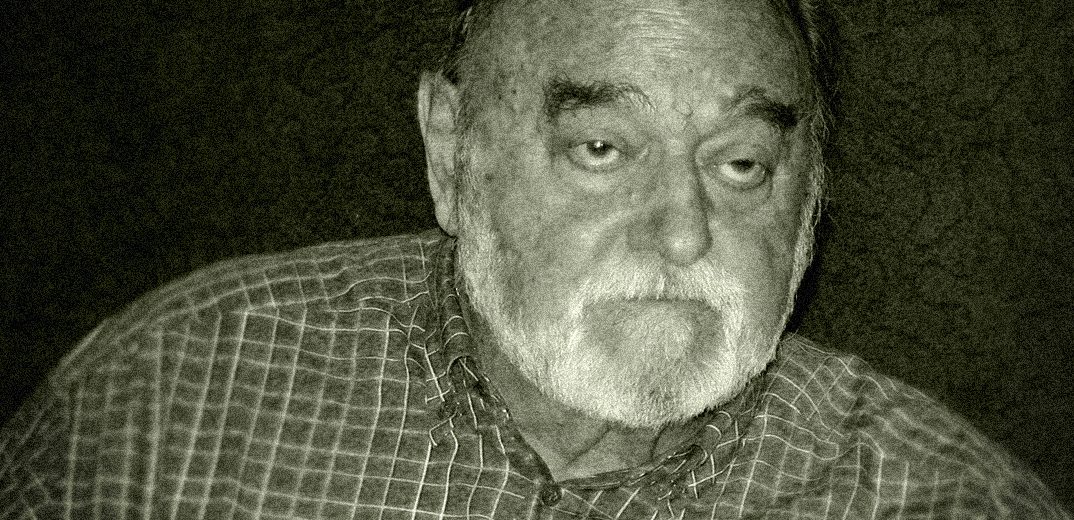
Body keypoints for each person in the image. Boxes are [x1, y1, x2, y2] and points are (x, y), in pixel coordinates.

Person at [0, 0, 1068, 517]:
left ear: (812, 201)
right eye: (602, 149)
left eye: (742, 163)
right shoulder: (164, 415)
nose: (683, 231)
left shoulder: (943, 501)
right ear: (451, 151)